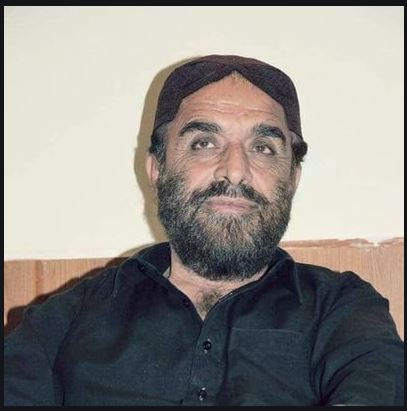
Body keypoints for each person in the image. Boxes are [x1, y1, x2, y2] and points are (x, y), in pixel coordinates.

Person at [4, 55, 404, 406]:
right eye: (204, 143)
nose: (235, 170)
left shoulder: (343, 310)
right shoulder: (61, 321)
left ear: (293, 178)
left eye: (263, 148)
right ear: (157, 168)